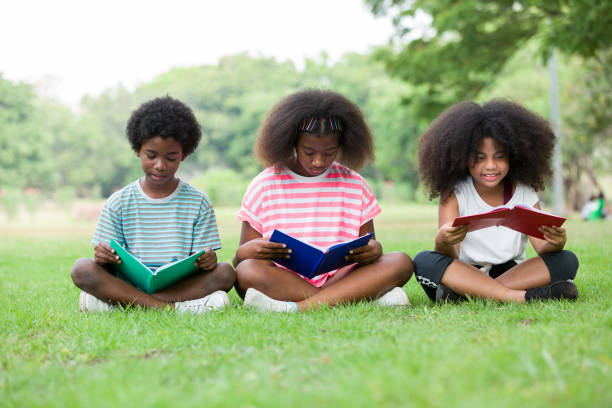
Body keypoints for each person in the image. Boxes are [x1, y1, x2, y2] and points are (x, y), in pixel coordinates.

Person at [233, 89, 413, 312]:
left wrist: (374, 249)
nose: (318, 161)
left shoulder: (355, 183)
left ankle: (295, 308)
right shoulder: (264, 183)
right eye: (309, 152)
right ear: (292, 143)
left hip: (341, 276)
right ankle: (359, 296)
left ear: (341, 146)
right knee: (247, 271)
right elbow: (240, 258)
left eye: (329, 152)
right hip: (285, 279)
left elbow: (368, 247)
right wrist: (253, 249)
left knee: (401, 261)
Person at [71, 96, 235, 313]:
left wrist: (208, 261)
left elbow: (202, 265)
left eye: (170, 157)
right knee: (82, 268)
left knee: (225, 272)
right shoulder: (119, 202)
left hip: (180, 286)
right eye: (151, 155)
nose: (160, 165)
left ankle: (126, 305)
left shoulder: (198, 202)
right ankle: (171, 308)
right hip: (127, 283)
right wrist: (103, 256)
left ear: (183, 155)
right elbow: (106, 260)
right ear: (138, 150)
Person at [413, 100, 579, 303]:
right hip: (463, 272)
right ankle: (521, 297)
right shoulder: (455, 192)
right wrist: (442, 241)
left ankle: (468, 295)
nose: (490, 166)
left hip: (512, 272)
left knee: (567, 259)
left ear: (515, 156)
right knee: (425, 260)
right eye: (480, 158)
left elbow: (543, 248)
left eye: (499, 156)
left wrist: (557, 243)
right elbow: (451, 256)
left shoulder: (525, 191)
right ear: (462, 157)